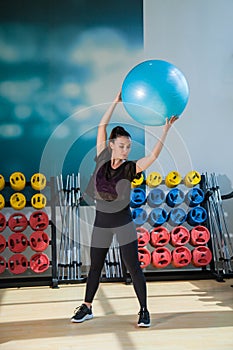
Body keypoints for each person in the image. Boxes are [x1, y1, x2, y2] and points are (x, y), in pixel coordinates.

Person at [71, 90, 178, 327]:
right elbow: (102, 124)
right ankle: (87, 307)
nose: (126, 150)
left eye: (128, 147)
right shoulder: (100, 157)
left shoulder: (130, 168)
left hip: (123, 223)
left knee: (133, 267)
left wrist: (165, 131)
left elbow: (151, 156)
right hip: (101, 222)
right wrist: (115, 101)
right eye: (121, 146)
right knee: (95, 266)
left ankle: (144, 310)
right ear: (111, 145)